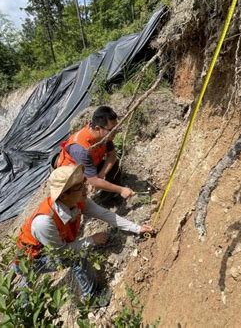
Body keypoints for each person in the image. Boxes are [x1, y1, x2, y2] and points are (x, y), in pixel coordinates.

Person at [16, 164, 152, 304]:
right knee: (76, 257)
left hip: (49, 248)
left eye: (83, 182)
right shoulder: (44, 222)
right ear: (63, 195)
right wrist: (92, 240)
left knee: (27, 282)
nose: (86, 188)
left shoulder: (78, 200)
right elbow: (63, 252)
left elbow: (104, 214)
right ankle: (92, 299)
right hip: (33, 258)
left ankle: (22, 296)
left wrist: (137, 228)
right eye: (79, 187)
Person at [56, 106, 135, 199]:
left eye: (117, 128)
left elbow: (112, 156)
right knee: (77, 198)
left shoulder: (104, 135)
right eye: (112, 130)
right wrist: (121, 190)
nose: (116, 132)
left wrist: (101, 175)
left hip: (89, 165)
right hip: (70, 178)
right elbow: (93, 181)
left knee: (113, 165)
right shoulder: (81, 149)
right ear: (97, 128)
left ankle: (109, 197)